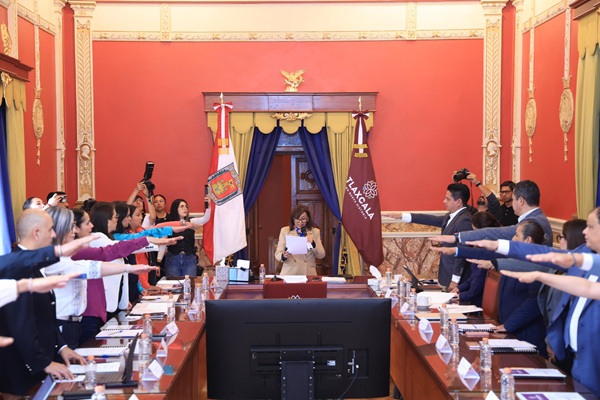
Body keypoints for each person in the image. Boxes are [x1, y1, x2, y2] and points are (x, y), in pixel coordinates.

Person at [466, 207, 600, 396]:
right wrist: (500, 247)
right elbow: (549, 257)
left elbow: (589, 288)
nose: (585, 231)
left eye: (591, 227)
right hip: (577, 359)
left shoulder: (586, 259)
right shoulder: (585, 253)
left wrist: (539, 275)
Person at [44, 206, 158, 348]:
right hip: (66, 323)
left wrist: (130, 268)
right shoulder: (57, 256)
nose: (74, 231)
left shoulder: (69, 253)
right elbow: (94, 265)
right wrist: (130, 267)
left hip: (76, 321)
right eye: (71, 226)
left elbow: (94, 267)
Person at [0, 210, 86, 398]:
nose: (54, 235)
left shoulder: (32, 265)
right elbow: (20, 326)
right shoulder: (16, 269)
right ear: (36, 232)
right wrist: (44, 363)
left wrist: (62, 347)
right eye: (50, 229)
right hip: (20, 369)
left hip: (38, 363)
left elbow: (44, 317)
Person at [388, 183, 473, 290]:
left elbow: (462, 253)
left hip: (455, 280)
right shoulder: (450, 216)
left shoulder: (464, 220)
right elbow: (430, 219)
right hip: (446, 275)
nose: (444, 201)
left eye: (448, 199)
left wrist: (455, 280)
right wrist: (402, 216)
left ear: (459, 201)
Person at [436, 180, 553, 247]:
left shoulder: (534, 222)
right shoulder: (537, 217)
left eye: (513, 199)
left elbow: (498, 232)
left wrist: (458, 237)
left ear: (521, 201)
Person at [433, 211, 499, 307]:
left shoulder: (485, 252)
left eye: (474, 231)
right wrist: (460, 288)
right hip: (473, 298)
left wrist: (460, 296)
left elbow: (477, 285)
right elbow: (473, 278)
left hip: (479, 303)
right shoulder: (480, 249)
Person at [164, 198, 210, 277]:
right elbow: (163, 241)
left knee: (190, 282)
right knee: (173, 282)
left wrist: (208, 206)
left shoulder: (191, 221)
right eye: (182, 206)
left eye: (186, 206)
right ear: (175, 208)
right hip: (173, 258)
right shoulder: (169, 223)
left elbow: (205, 219)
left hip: (189, 258)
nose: (185, 208)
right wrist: (158, 261)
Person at [275, 205, 325, 275]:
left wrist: (313, 244)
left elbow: (321, 255)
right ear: (293, 219)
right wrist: (284, 255)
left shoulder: (315, 232)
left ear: (308, 219)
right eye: (297, 219)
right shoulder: (285, 231)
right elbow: (278, 254)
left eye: (303, 219)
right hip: (290, 272)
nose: (300, 222)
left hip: (308, 272)